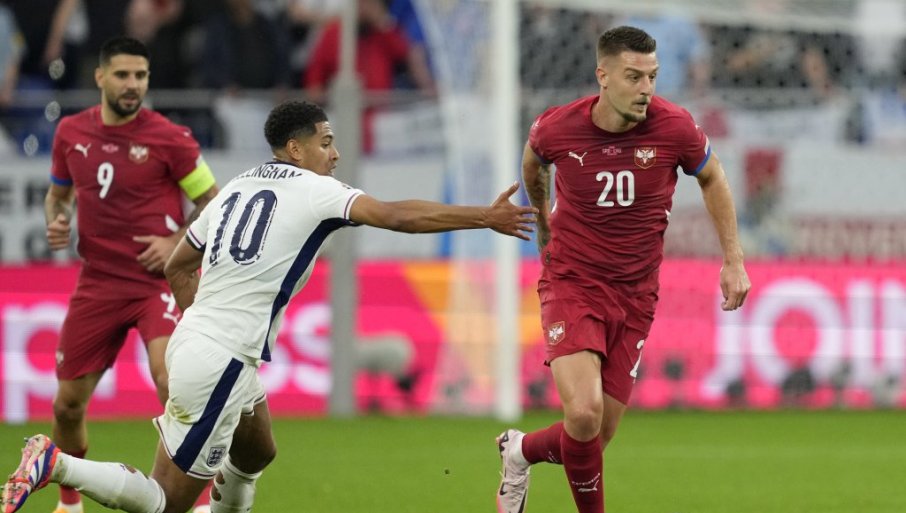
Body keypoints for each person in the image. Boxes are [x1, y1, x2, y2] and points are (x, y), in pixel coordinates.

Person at [1, 99, 537, 513]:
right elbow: (396, 216)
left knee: (257, 450)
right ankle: (56, 464)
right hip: (221, 359)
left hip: (206, 343)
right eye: (326, 142)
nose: (335, 154)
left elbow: (178, 264)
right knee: (166, 502)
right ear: (296, 149)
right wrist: (483, 217)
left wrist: (200, 326)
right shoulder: (315, 190)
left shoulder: (237, 186)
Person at [495, 26, 751, 513]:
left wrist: (733, 259)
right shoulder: (557, 127)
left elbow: (713, 176)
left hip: (636, 294)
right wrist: (544, 221)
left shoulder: (674, 127)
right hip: (573, 282)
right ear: (603, 76)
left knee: (594, 436)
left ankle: (520, 451)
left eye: (652, 76)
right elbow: (533, 164)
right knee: (583, 413)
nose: (646, 89)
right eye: (634, 77)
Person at [39, 36, 220, 513]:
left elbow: (213, 202)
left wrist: (176, 240)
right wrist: (56, 219)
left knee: (172, 382)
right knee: (67, 405)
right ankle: (69, 502)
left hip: (158, 283)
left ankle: (202, 500)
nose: (133, 84)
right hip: (98, 282)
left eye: (140, 75)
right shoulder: (71, 133)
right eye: (122, 75)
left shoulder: (169, 137)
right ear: (100, 77)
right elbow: (58, 195)